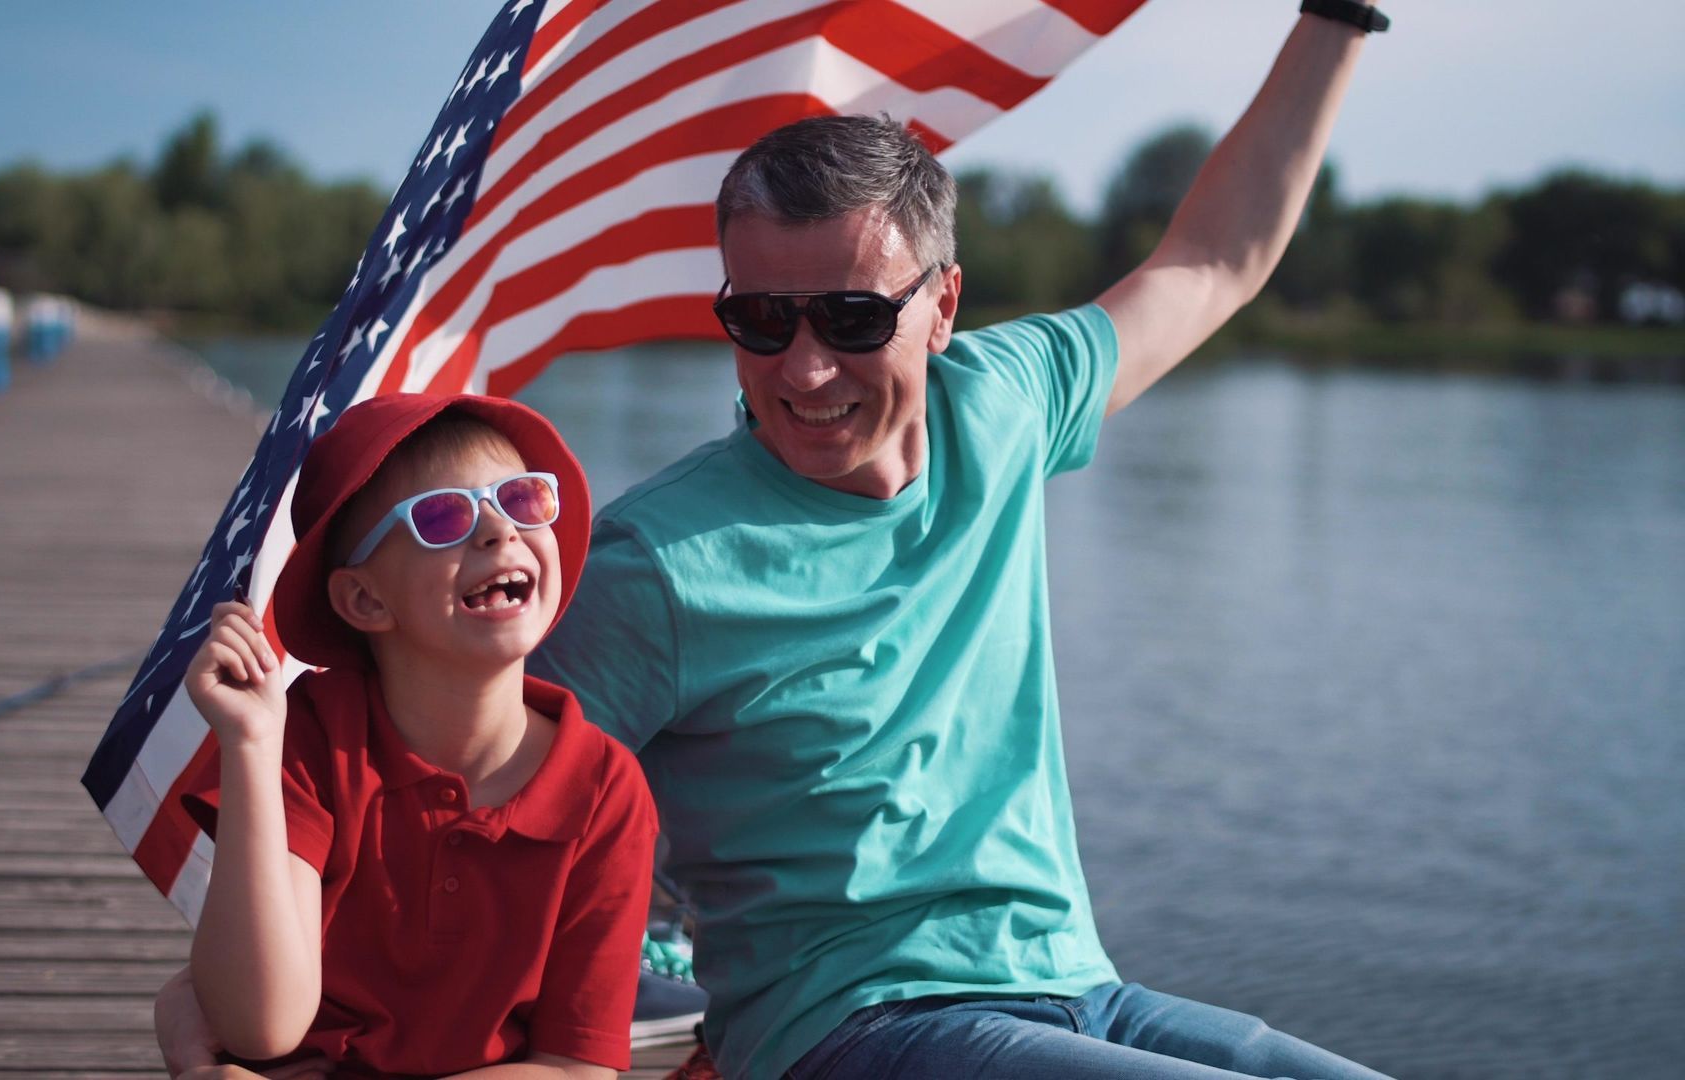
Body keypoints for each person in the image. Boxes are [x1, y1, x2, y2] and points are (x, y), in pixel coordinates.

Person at [522, 8, 1399, 1080]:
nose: (801, 370)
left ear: (942, 309)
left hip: (1080, 987)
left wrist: (1339, 21)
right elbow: (483, 799)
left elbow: (1214, 260)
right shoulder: (657, 562)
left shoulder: (1006, 404)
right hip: (851, 1027)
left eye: (848, 319)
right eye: (761, 319)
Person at [173, 393, 658, 1079]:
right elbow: (260, 1029)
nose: (499, 532)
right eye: (442, 517)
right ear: (365, 600)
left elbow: (576, 1068)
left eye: (522, 499)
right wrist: (250, 746)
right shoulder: (308, 741)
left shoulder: (603, 789)